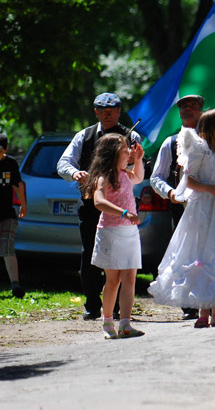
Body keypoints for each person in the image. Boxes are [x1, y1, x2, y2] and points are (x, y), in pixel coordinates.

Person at [148, 109, 215, 328]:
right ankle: (202, 312)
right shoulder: (200, 150)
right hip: (203, 210)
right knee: (201, 254)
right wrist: (207, 188)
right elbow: (188, 180)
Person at [57, 92, 142, 320]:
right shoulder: (83, 136)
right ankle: (92, 305)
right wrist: (75, 173)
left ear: (119, 111)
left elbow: (139, 170)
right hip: (92, 204)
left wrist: (135, 159)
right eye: (102, 111)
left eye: (112, 110)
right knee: (91, 255)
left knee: (121, 257)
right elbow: (63, 163)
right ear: (95, 112)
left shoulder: (131, 136)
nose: (107, 114)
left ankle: (116, 309)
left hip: (122, 207)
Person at [81, 134, 145, 339]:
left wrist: (139, 159)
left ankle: (125, 323)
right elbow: (99, 201)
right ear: (114, 153)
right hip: (110, 232)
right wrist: (124, 213)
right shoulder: (105, 175)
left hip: (129, 232)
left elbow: (139, 177)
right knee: (113, 280)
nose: (128, 152)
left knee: (130, 278)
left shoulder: (125, 174)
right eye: (125, 149)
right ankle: (108, 322)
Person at [150, 94, 205, 320]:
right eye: (183, 107)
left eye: (193, 107)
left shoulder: (212, 140)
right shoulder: (170, 143)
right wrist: (170, 193)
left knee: (209, 252)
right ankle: (189, 304)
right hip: (181, 209)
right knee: (184, 254)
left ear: (201, 111)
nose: (188, 110)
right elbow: (156, 178)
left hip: (210, 206)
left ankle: (210, 299)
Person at [1, 133, 27, 299]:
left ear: (6, 149)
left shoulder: (10, 163)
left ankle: (15, 284)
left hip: (6, 213)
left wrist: (24, 205)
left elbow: (17, 186)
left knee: (7, 246)